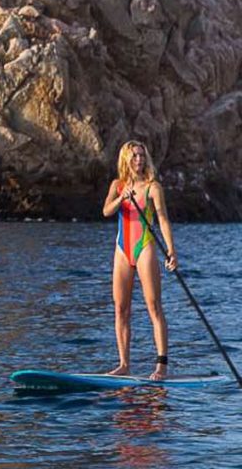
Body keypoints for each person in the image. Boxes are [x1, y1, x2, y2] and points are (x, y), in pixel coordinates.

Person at [101, 139, 177, 380]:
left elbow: (163, 220)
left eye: (142, 156)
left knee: (154, 306)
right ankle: (124, 364)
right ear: (126, 158)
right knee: (121, 309)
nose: (139, 160)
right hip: (122, 249)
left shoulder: (153, 187)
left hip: (144, 247)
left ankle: (161, 366)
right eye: (134, 156)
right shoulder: (117, 184)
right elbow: (106, 211)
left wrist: (171, 250)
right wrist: (121, 196)